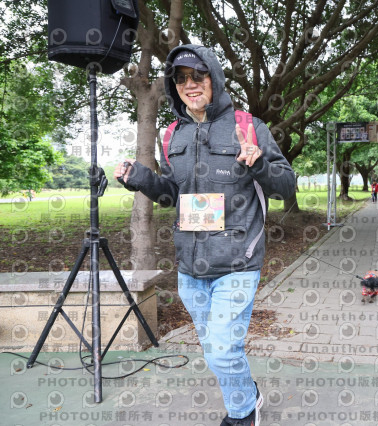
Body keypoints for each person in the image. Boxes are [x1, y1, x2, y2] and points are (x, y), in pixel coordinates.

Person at [114, 45, 295, 426]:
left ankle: (243, 413)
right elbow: (173, 195)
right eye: (181, 78)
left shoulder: (249, 126)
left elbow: (286, 187)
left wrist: (259, 163)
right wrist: (141, 178)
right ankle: (249, 392)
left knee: (222, 349)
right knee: (216, 348)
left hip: (238, 261)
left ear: (215, 78)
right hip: (191, 268)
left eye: (198, 75)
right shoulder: (173, 134)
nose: (190, 84)